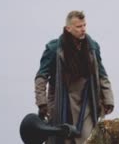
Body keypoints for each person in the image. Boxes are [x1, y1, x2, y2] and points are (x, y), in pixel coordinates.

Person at [34, 11, 114, 144]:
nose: (83, 29)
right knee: (61, 139)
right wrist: (42, 103)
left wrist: (108, 99)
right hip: (59, 100)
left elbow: (101, 74)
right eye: (78, 27)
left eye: (84, 25)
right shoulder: (54, 49)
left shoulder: (92, 47)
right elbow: (41, 77)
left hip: (86, 100)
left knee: (88, 138)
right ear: (68, 28)